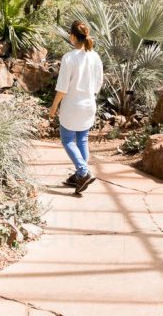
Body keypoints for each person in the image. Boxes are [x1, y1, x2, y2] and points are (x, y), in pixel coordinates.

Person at [48, 20, 103, 194]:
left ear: (72, 36)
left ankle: (83, 171)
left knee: (67, 140)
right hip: (89, 104)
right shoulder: (95, 56)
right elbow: (99, 82)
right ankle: (79, 177)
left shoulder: (69, 57)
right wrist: (90, 95)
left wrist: (54, 106)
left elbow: (62, 87)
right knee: (82, 140)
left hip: (72, 106)